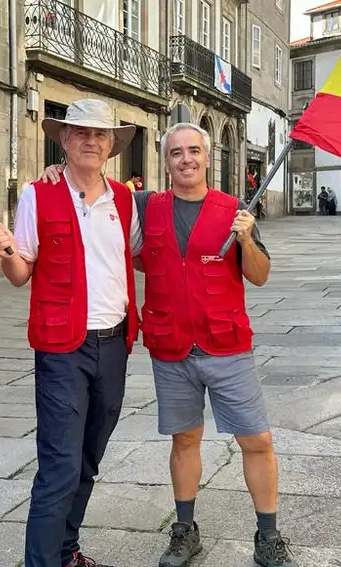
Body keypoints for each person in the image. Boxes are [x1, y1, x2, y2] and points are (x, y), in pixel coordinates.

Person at [40, 122, 296, 567]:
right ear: (165, 161)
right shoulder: (145, 206)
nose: (186, 159)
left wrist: (245, 237)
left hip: (226, 345)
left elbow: (258, 274)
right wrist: (57, 171)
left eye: (194, 150)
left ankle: (268, 535)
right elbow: (97, 190)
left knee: (257, 440)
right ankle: (184, 531)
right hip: (172, 346)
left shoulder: (236, 209)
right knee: (184, 439)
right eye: (176, 153)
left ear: (208, 157)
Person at [0, 98, 142, 567]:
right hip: (62, 349)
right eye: (80, 133)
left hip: (114, 346)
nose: (90, 141)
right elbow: (19, 272)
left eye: (99, 134)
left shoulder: (127, 199)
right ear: (64, 141)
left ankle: (66, 551)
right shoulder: (39, 193)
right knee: (59, 466)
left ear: (112, 145)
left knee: (89, 459)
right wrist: (4, 249)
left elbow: (146, 253)